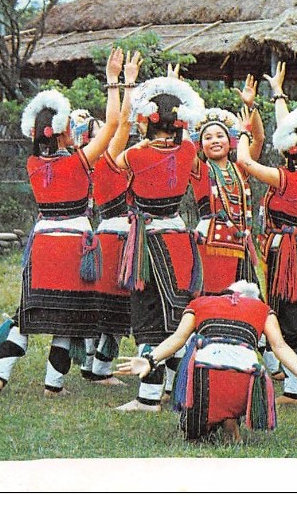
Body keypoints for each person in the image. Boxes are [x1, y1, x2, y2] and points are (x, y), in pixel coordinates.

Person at [0, 48, 130, 396]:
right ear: (63, 132)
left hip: (43, 244)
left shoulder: (33, 164)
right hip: (75, 244)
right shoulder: (80, 162)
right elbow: (113, 125)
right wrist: (113, 80)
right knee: (68, 319)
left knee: (26, 315)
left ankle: (0, 375)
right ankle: (52, 385)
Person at [234, 62, 297, 411]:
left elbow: (245, 163)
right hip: (291, 248)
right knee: (295, 318)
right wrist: (278, 93)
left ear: (292, 149)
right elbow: (286, 128)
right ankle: (295, 388)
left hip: (287, 253)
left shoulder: (285, 178)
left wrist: (245, 130)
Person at [115, 281, 297, 441]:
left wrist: (150, 360)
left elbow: (178, 339)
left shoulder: (199, 303)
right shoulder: (262, 310)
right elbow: (280, 347)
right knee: (232, 391)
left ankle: (211, 421)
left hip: (204, 377)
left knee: (192, 433)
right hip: (246, 381)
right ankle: (230, 421)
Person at [111, 71, 206, 412]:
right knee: (176, 315)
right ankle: (184, 391)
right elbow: (191, 156)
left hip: (146, 244)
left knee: (148, 315)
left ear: (148, 121)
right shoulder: (190, 150)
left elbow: (114, 159)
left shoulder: (136, 156)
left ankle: (149, 397)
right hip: (178, 239)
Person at [67, 56, 140, 387]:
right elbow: (123, 123)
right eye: (100, 132)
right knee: (117, 304)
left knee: (103, 304)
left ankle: (92, 364)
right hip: (117, 237)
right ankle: (100, 369)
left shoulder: (80, 165)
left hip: (102, 235)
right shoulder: (108, 162)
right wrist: (126, 83)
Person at [189, 74, 265, 295]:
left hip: (240, 244)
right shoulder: (200, 170)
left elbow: (258, 139)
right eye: (208, 137)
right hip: (211, 245)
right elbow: (184, 145)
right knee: (215, 300)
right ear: (200, 145)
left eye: (220, 136)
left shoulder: (240, 166)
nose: (214, 141)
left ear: (230, 141)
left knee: (247, 300)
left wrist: (252, 107)